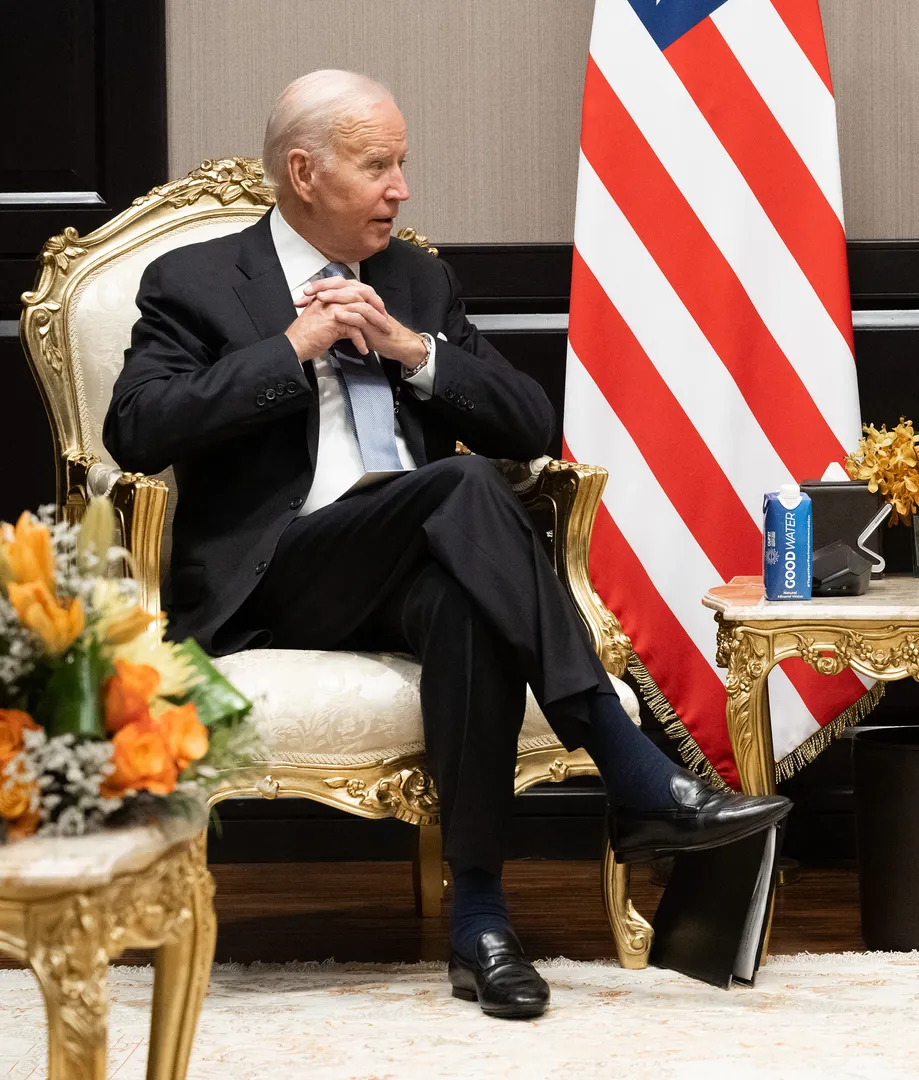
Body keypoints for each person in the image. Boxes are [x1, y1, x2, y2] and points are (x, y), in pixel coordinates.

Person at [104, 70, 790, 1021]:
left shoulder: (418, 280)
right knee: (463, 487)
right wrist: (294, 347)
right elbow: (136, 427)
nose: (402, 188)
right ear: (305, 173)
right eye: (379, 166)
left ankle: (482, 922)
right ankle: (630, 767)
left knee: (467, 593)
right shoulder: (196, 279)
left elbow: (531, 425)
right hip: (280, 574)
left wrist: (413, 351)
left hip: (411, 558)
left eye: (403, 164)